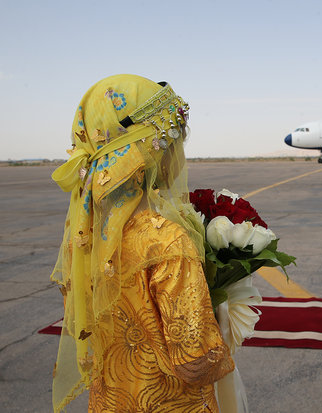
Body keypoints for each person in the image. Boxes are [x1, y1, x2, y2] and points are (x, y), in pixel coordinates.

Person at [50, 74, 234, 412]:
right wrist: (226, 321)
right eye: (173, 140)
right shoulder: (164, 239)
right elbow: (195, 359)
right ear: (153, 149)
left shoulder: (85, 241)